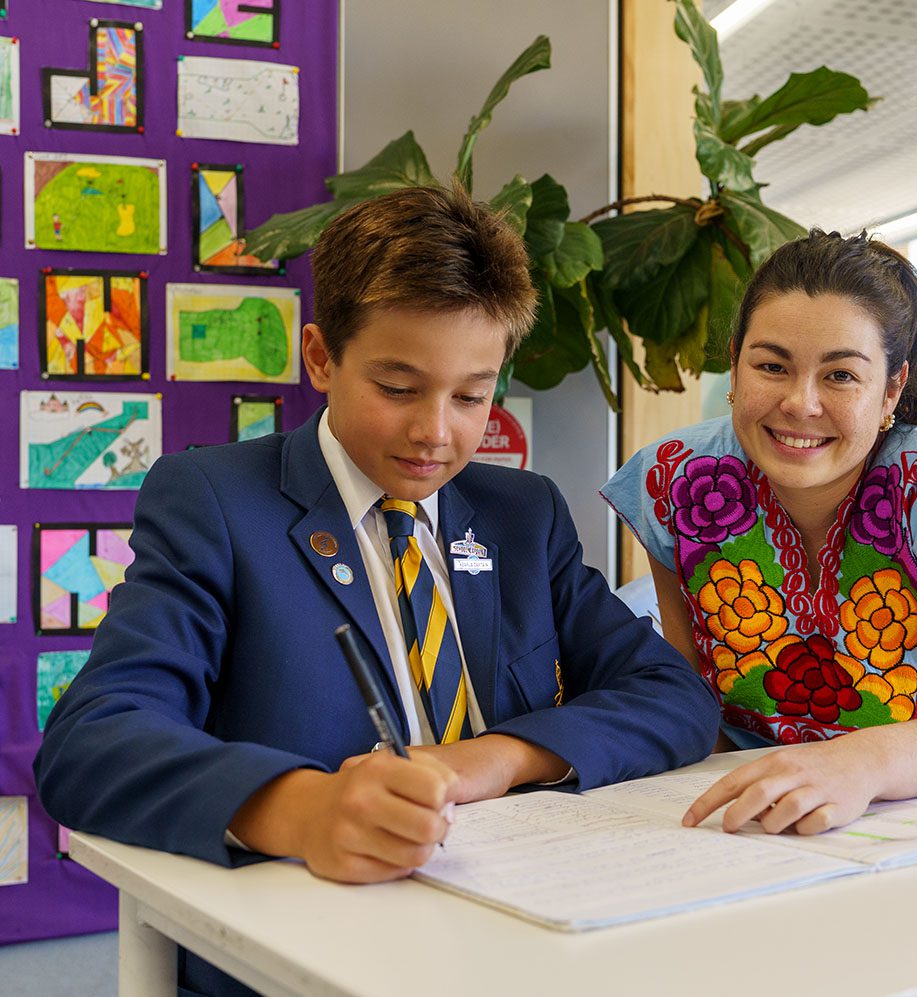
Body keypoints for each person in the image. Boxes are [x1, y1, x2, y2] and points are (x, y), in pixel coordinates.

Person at [35, 184, 718, 993]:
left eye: (471, 394)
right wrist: (301, 810)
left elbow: (673, 695)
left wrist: (488, 760)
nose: (437, 430)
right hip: (303, 951)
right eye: (397, 388)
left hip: (511, 934)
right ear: (321, 357)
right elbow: (91, 742)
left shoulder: (520, 514)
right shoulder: (214, 502)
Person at [601, 229, 917, 838]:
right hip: (762, 811)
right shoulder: (671, 479)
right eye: (772, 366)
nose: (800, 404)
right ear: (735, 362)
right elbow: (693, 695)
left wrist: (857, 766)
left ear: (891, 389)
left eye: (840, 377)